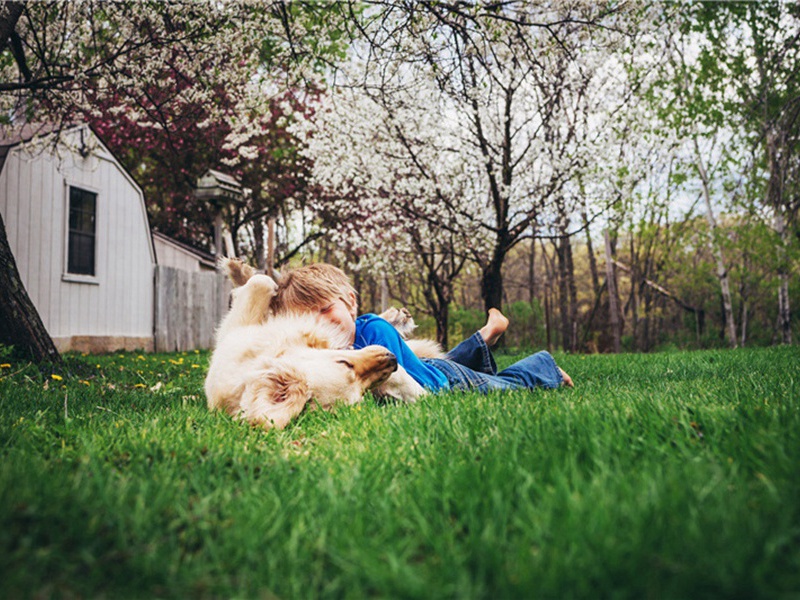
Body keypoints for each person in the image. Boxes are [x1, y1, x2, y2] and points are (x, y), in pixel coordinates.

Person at [271, 263, 574, 394]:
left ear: (351, 302)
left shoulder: (373, 330)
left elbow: (400, 388)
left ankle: (544, 369)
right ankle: (486, 335)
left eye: (326, 309)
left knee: (499, 387)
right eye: (309, 319)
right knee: (445, 360)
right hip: (430, 367)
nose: (321, 322)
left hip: (442, 383)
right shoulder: (316, 352)